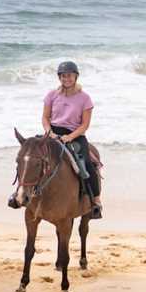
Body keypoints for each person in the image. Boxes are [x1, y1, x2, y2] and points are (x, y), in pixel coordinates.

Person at [42, 60, 102, 219]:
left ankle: (95, 200)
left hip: (75, 134)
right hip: (53, 132)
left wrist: (70, 137)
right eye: (63, 76)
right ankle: (23, 194)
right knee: (32, 157)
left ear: (76, 77)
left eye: (69, 76)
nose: (66, 79)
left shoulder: (85, 98)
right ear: (59, 77)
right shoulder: (51, 95)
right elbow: (45, 118)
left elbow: (85, 125)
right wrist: (50, 133)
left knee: (88, 164)